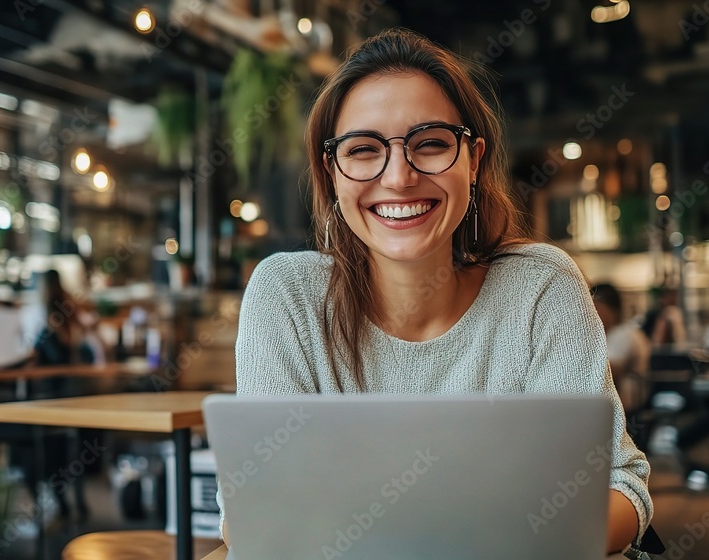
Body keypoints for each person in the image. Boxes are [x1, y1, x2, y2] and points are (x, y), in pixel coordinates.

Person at [224, 28, 653, 557]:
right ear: (331, 171)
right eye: (363, 149)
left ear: (473, 160)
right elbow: (259, 516)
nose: (399, 177)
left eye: (429, 143)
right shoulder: (286, 297)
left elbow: (620, 489)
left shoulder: (541, 289)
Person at [591, 283, 652, 414]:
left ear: (612, 309)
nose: (591, 313)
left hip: (628, 409)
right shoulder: (612, 333)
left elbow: (610, 370)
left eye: (596, 307)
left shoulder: (623, 333)